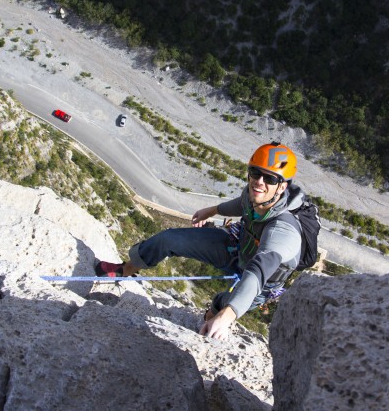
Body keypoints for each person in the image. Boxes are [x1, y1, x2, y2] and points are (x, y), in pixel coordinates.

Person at [95, 142, 305, 340]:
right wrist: (211, 211)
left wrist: (226, 316)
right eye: (255, 173)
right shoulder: (255, 195)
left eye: (270, 179)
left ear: (282, 186)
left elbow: (258, 271)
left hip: (262, 282)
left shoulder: (283, 230)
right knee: (169, 239)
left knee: (222, 304)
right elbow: (242, 205)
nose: (259, 182)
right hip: (236, 251)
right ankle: (128, 269)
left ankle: (208, 320)